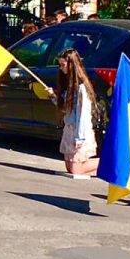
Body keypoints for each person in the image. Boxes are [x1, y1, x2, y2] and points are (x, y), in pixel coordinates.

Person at [54, 49, 99, 178]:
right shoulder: (69, 87)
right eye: (60, 65)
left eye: (63, 65)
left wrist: (80, 137)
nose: (61, 69)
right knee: (69, 166)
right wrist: (53, 96)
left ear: (71, 65)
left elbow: (83, 114)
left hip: (79, 131)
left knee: (76, 169)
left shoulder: (81, 88)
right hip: (70, 129)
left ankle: (107, 162)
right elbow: (67, 108)